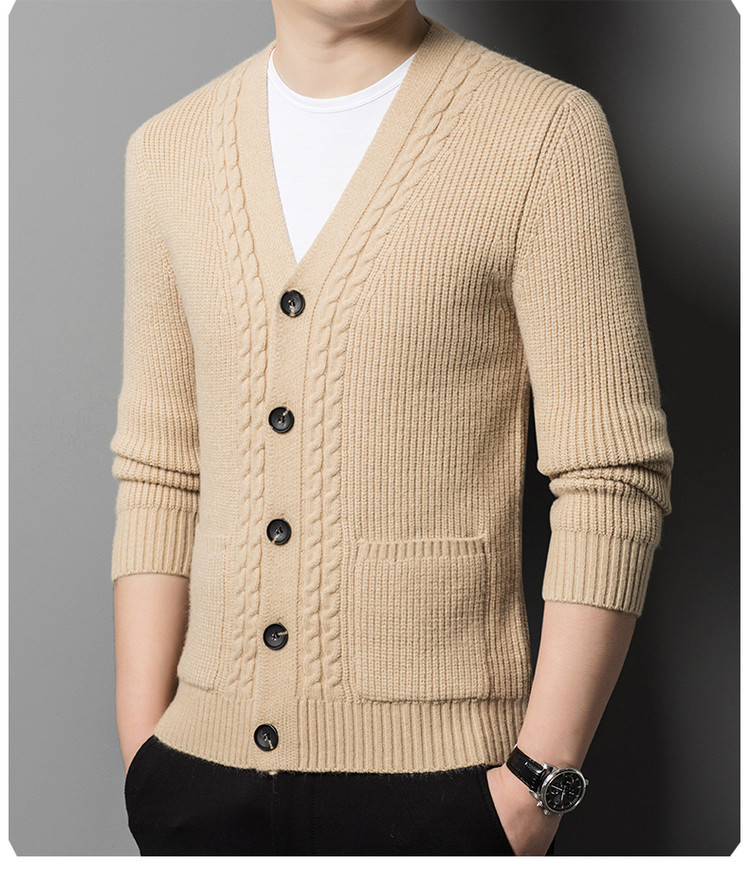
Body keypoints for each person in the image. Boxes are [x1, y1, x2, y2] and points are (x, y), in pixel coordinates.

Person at [110, 0, 674, 857]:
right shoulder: (168, 149)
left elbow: (612, 473)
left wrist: (536, 785)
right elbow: (160, 468)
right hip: (197, 778)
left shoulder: (542, 131)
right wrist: (143, 754)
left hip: (445, 788)